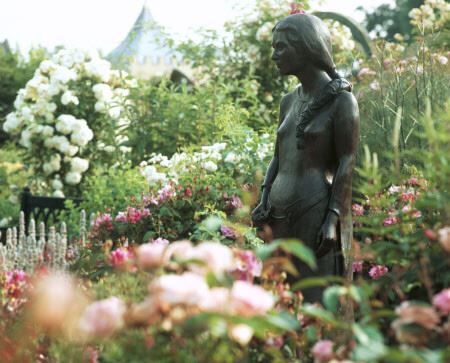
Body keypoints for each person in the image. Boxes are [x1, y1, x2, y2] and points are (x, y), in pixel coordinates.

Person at [251, 13, 359, 303]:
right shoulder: (288, 101)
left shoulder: (342, 101)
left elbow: (347, 162)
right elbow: (278, 155)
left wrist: (333, 218)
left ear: (307, 47)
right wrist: (263, 199)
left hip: (313, 213)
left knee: (313, 300)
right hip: (276, 214)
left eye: (281, 47)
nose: (274, 55)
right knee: (277, 299)